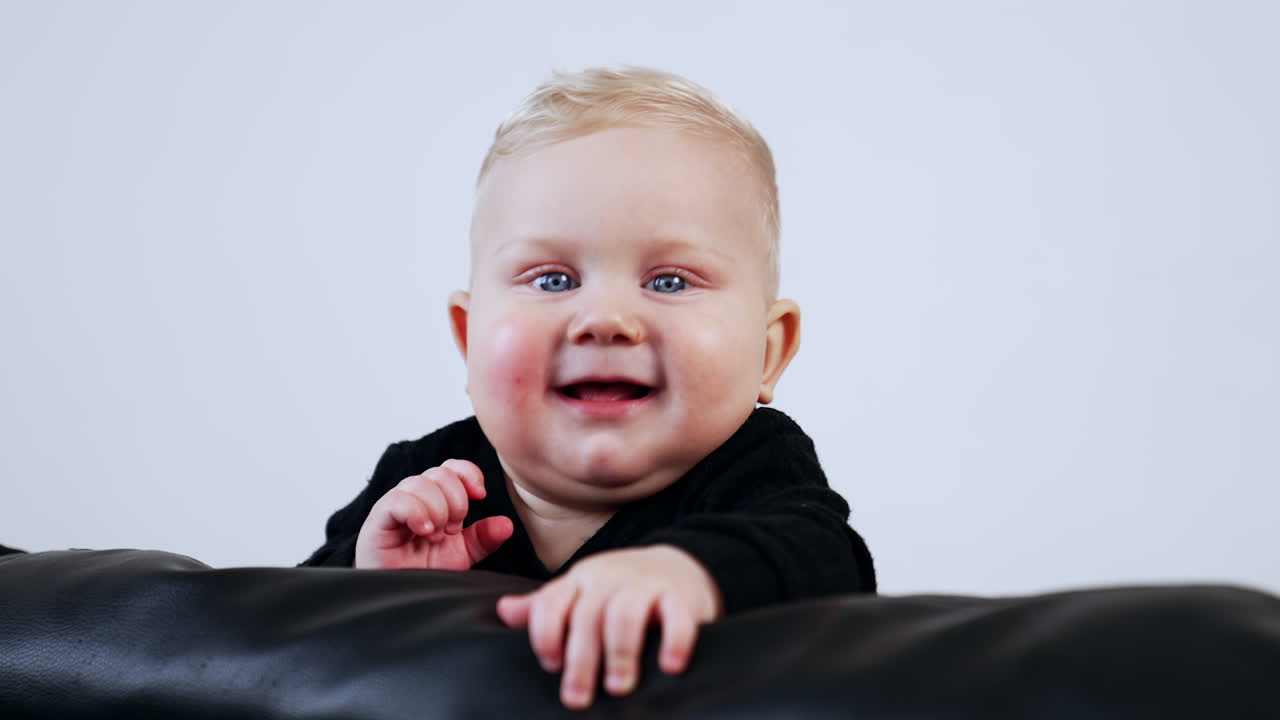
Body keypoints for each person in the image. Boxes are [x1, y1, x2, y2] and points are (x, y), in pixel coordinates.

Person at [301, 66, 876, 710]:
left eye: (669, 281)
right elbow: (279, 638)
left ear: (768, 352)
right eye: (552, 280)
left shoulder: (753, 466)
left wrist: (691, 573)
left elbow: (829, 562)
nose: (604, 319)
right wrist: (363, 581)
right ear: (469, 340)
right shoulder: (427, 484)